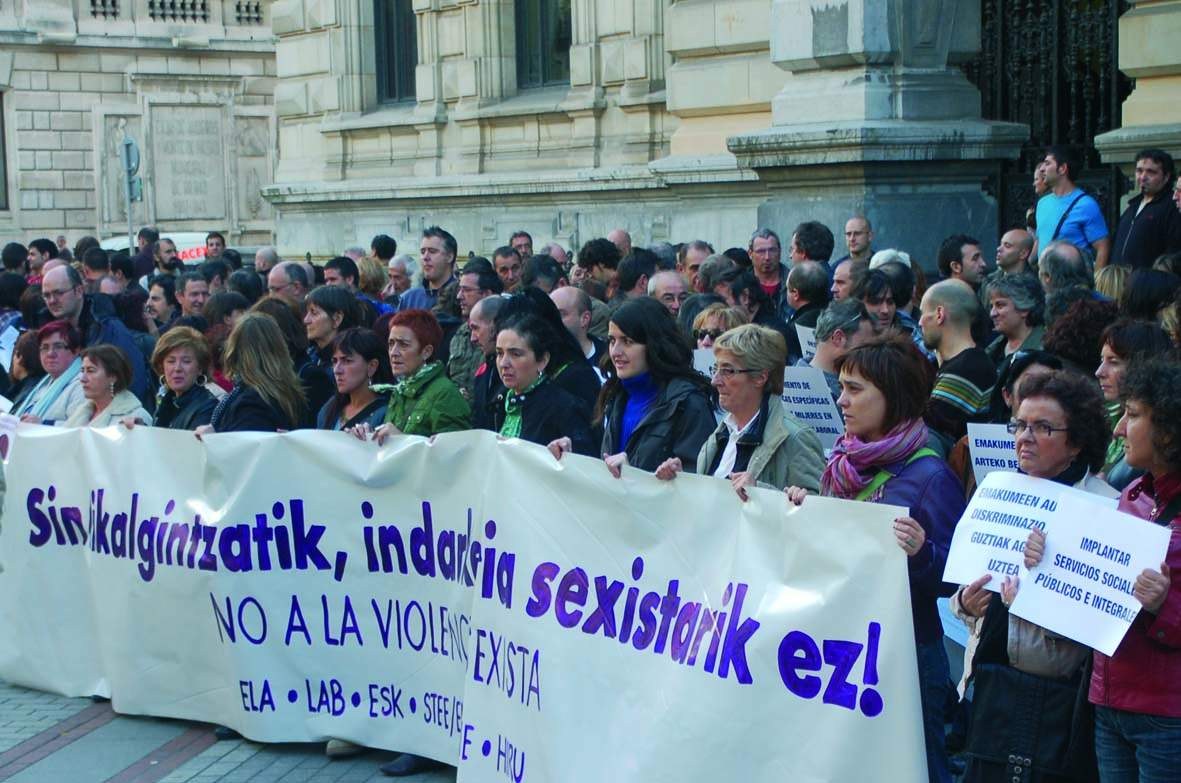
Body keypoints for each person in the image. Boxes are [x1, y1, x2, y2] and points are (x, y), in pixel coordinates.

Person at [784, 334, 964, 783]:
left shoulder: (931, 475)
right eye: (841, 387)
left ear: (893, 396)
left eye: (855, 389)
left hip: (907, 655)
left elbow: (952, 578)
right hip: (843, 646)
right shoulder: (842, 461)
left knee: (918, 765)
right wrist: (802, 511)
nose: (841, 400)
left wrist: (921, 552)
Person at [954, 371, 1116, 783]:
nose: (1024, 438)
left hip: (1054, 701)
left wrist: (1034, 598)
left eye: (1042, 427)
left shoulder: (1105, 512)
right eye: (1019, 424)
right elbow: (966, 591)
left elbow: (1098, 623)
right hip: (988, 683)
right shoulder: (998, 491)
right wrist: (966, 603)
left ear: (1076, 441)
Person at [1024, 359, 1181, 780]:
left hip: (1166, 714)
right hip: (1107, 701)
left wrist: (1163, 606)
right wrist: (1044, 563)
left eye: (1132, 415)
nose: (1119, 429)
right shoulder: (1131, 495)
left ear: (1168, 430)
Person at [550, 297, 715, 475]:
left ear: (654, 345)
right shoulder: (615, 395)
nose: (615, 352)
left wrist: (634, 476)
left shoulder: (689, 403)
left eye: (627, 341)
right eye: (612, 340)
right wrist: (572, 458)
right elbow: (609, 471)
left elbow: (698, 480)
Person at [655, 324, 825, 496]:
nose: (715, 381)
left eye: (727, 371)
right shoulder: (720, 434)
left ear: (760, 377)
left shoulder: (796, 438)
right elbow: (710, 501)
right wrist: (683, 481)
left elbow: (818, 507)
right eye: (716, 369)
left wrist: (759, 492)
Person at [356, 309, 470, 441]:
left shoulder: (445, 394)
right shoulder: (401, 390)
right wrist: (367, 437)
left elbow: (454, 451)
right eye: (391, 343)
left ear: (426, 352)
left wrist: (402, 440)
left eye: (403, 345)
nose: (393, 352)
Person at [491, 314, 595, 454]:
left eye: (515, 354)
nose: (504, 363)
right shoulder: (499, 403)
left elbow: (585, 460)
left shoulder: (564, 408)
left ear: (542, 361)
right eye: (499, 353)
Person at [1095, 319, 1175, 490]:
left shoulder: (1152, 449)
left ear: (1144, 366)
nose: (1099, 372)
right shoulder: (1110, 415)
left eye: (1113, 362)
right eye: (1102, 360)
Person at [201, 312, 307, 433]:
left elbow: (243, 443)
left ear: (236, 351)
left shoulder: (248, 403)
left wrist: (213, 437)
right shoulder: (293, 393)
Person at [1034, 145, 1111, 268]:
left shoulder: (1086, 205)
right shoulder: (1042, 203)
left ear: (1062, 169)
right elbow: (1041, 240)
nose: (1042, 169)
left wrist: (1096, 278)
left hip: (1074, 278)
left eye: (1047, 163)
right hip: (1045, 276)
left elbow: (1103, 247)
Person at [1110, 148, 1181, 268]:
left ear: (1166, 176)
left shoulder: (1173, 206)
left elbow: (1174, 252)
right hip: (1118, 278)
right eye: (1139, 171)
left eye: (1151, 172)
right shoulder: (1132, 206)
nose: (1142, 177)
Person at [302, 286, 362, 420]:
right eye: (307, 313)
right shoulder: (311, 355)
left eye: (314, 313)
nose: (306, 320)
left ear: (337, 319)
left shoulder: (356, 360)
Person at [317, 328, 389, 431]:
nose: (337, 370)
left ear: (372, 366)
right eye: (334, 361)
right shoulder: (329, 408)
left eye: (347, 361)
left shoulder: (386, 413)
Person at [64, 345, 152, 428]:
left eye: (91, 371)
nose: (82, 379)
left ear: (113, 376)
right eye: (82, 370)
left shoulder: (136, 416)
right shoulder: (80, 412)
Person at [15, 320, 85, 424]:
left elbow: (80, 428)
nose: (50, 354)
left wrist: (43, 424)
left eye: (58, 346)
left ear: (76, 350)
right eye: (45, 347)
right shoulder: (45, 382)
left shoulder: (84, 383)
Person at [149, 327, 218, 430]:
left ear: (200, 367)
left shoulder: (208, 407)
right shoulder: (168, 400)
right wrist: (140, 428)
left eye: (186, 361)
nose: (177, 368)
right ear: (161, 366)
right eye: (171, 361)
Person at [983, 273, 1045, 371]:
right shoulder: (992, 351)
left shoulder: (1046, 348)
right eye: (991, 306)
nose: (992, 313)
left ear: (1024, 309)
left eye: (1000, 305)